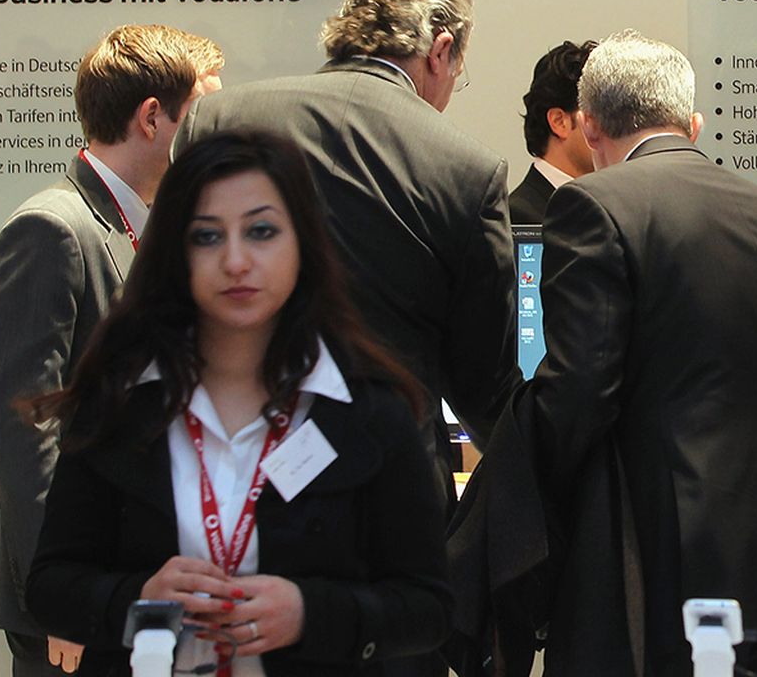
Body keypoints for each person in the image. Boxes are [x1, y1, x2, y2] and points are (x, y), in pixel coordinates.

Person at [23, 129, 452, 677]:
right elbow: (50, 589)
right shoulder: (121, 402)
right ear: (176, 253)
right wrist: (140, 600)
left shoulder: (366, 411)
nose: (235, 260)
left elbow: (427, 607)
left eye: (262, 232)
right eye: (206, 237)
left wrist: (308, 613)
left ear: (304, 243)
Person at [518, 31, 757, 675]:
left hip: (656, 557)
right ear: (693, 124)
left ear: (588, 127)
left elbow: (579, 392)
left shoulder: (590, 204)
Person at [179, 0, 519, 483]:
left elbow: (165, 302)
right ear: (441, 49)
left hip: (230, 480)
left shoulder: (218, 120)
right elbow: (482, 384)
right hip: (389, 492)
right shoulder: (466, 170)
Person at [0, 24, 224, 676]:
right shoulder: (52, 230)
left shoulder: (139, 229)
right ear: (152, 118)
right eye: (203, 118)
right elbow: (19, 428)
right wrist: (62, 599)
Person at [508, 40, 597, 224]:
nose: (614, 128)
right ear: (559, 122)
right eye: (597, 115)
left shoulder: (611, 209)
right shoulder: (517, 219)